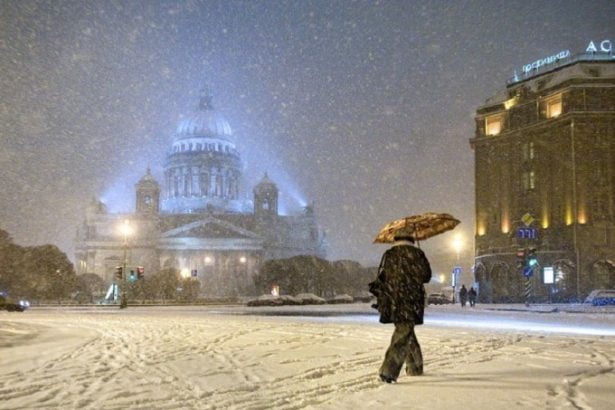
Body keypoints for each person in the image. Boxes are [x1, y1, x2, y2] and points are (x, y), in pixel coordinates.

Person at [368, 235, 432, 384]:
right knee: (404, 332)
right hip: (411, 300)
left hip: (393, 300)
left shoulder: (389, 254)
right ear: (412, 240)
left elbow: (383, 277)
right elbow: (426, 276)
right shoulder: (417, 254)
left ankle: (415, 367)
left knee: (405, 330)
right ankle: (389, 372)